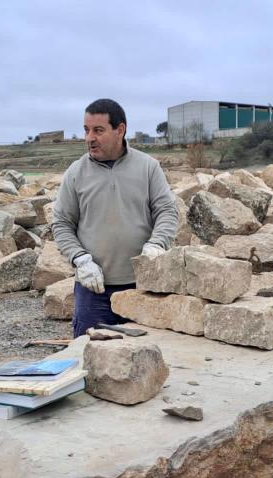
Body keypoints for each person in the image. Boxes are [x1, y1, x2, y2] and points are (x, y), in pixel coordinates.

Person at [51, 98, 178, 337]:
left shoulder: (148, 167)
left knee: (146, 360)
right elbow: (62, 223)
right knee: (90, 359)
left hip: (143, 288)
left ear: (120, 130)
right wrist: (80, 259)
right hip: (93, 291)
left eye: (98, 130)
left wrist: (157, 244)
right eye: (86, 130)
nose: (90, 138)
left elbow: (167, 210)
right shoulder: (76, 173)